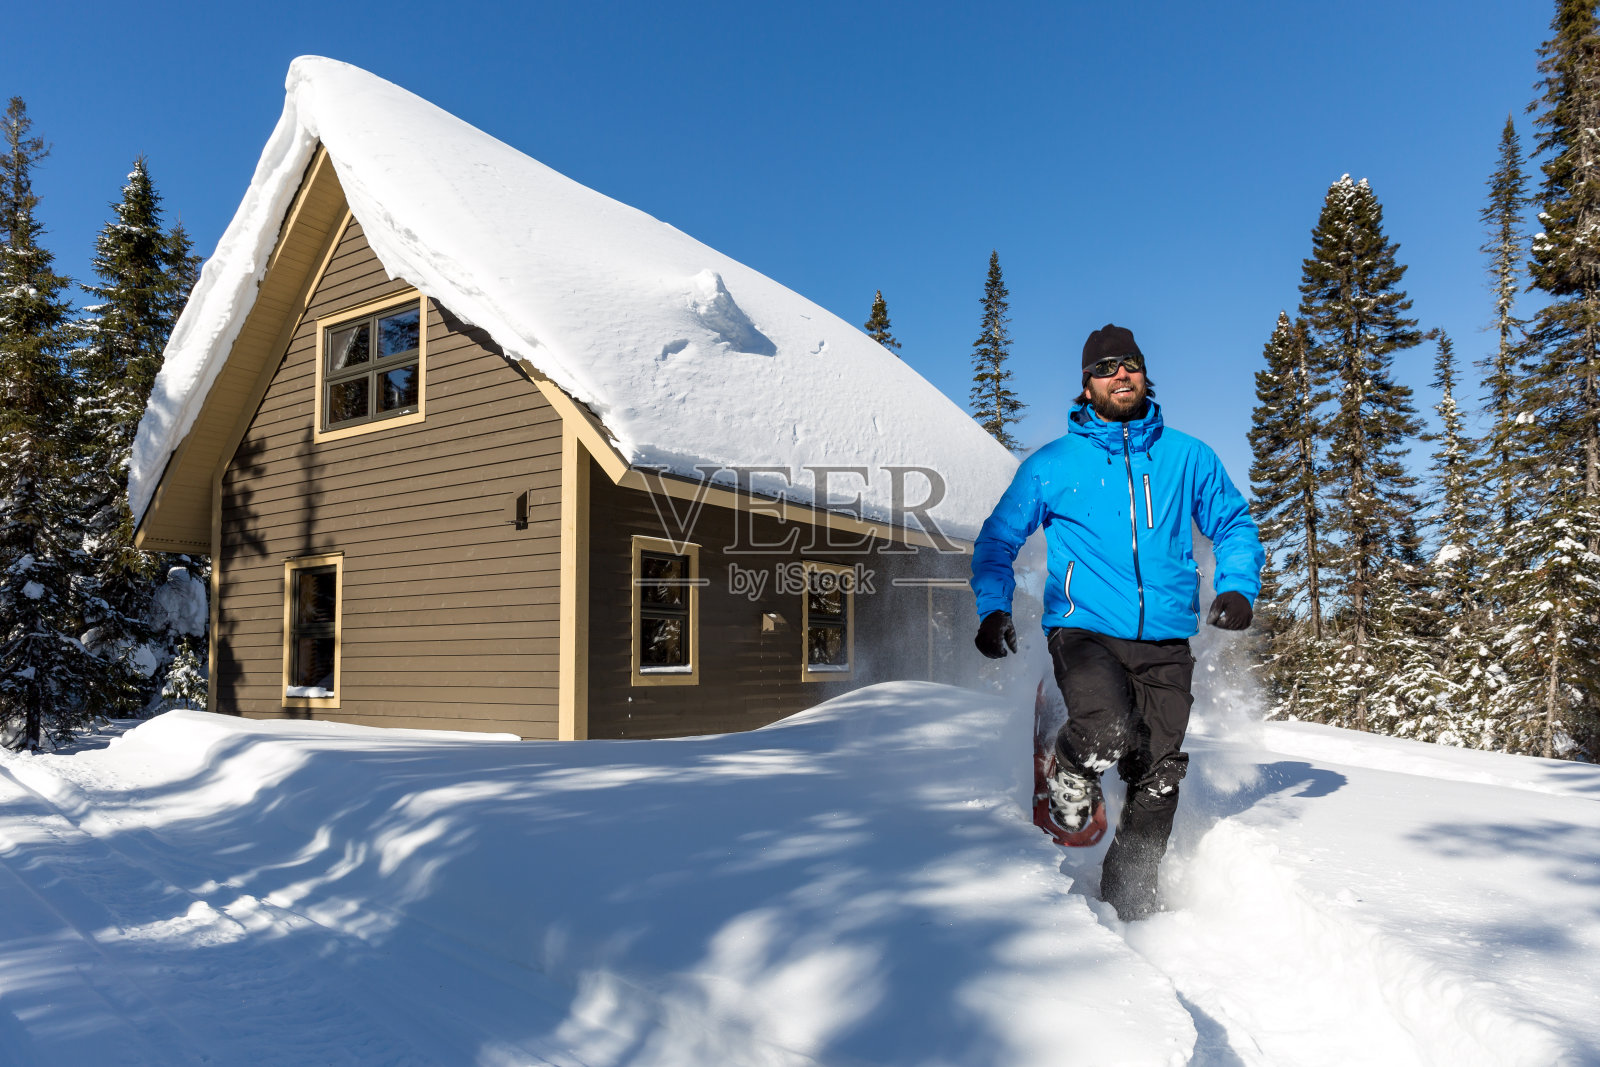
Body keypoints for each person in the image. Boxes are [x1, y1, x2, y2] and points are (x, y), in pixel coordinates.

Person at [970, 324, 1264, 921]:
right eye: (1104, 368)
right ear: (1086, 385)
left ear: (1144, 373)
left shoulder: (1188, 456)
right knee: (1105, 728)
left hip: (1165, 638)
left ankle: (1130, 903)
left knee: (1158, 776)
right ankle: (1071, 770)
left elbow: (1234, 524)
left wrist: (1236, 585)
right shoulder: (1054, 463)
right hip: (1085, 629)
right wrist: (993, 606)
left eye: (1128, 363)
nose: (1119, 375)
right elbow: (999, 538)